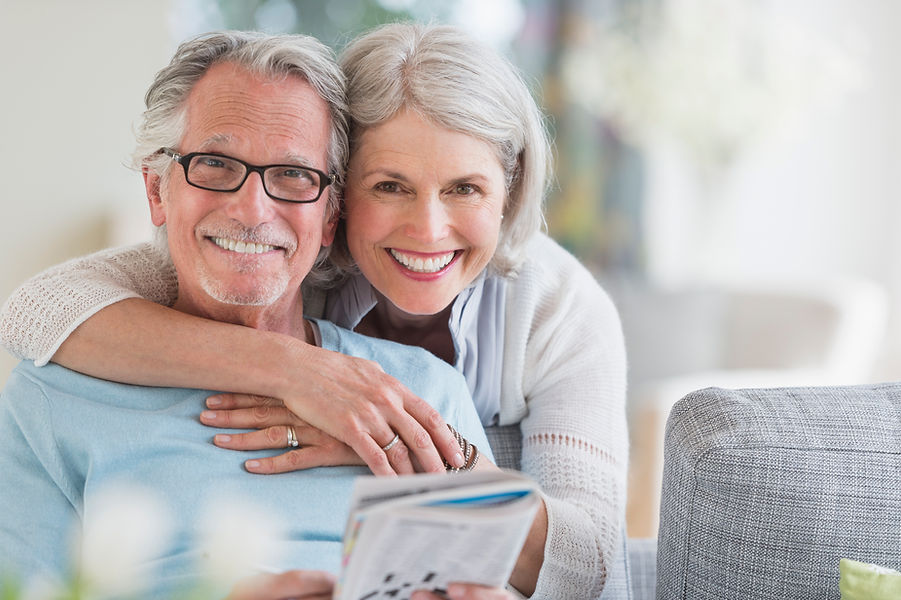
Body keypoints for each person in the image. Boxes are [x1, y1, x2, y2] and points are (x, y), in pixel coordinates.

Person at [0, 23, 627, 599]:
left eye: (295, 175)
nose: (251, 210)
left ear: (330, 214)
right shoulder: (54, 397)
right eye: (215, 165)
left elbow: (588, 571)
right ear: (156, 190)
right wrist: (298, 371)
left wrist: (438, 463)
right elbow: (37, 308)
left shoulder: (442, 378)